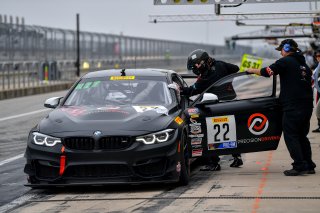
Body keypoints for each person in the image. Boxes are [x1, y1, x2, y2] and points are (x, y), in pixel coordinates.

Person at [247, 39, 316, 176]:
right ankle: (308, 165)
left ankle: (299, 165)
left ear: (287, 48)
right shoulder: (304, 65)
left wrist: (252, 70)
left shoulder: (285, 62)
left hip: (293, 106)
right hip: (307, 105)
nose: (281, 54)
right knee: (302, 136)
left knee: (291, 135)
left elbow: (268, 72)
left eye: (281, 50)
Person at [182, 49, 243, 171]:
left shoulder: (205, 78)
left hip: (217, 107)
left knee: (210, 134)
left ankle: (214, 163)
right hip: (232, 102)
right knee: (233, 132)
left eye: (196, 65)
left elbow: (191, 91)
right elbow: (236, 68)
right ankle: (237, 157)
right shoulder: (220, 64)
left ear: (203, 62)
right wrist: (227, 80)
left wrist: (179, 89)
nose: (195, 68)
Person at [312, 50, 320, 133]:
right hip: (318, 90)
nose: (318, 57)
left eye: (319, 56)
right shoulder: (317, 65)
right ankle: (319, 125)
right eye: (317, 56)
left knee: (318, 110)